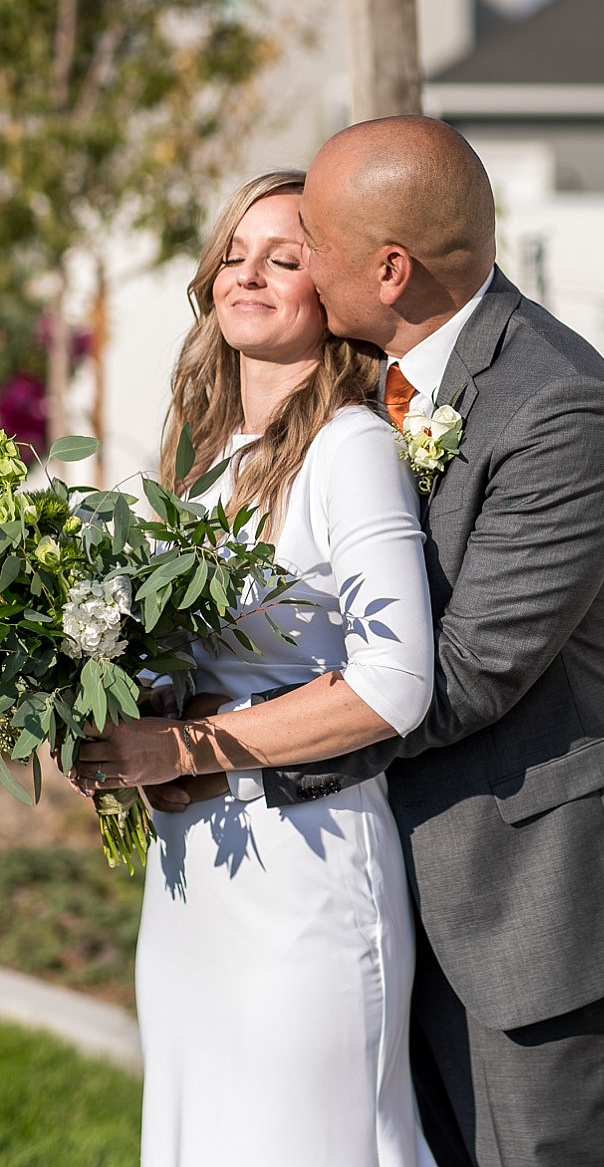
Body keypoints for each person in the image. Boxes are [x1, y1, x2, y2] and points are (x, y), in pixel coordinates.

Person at [128, 119, 604, 1167]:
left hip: (531, 888)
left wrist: (226, 759)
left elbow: (466, 673)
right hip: (392, 871)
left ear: (386, 269)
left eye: (313, 244)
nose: (277, 263)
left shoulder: (558, 404)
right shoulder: (367, 388)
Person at [77, 170, 440, 1166]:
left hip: (305, 870)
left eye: (284, 259)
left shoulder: (349, 449)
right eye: (234, 256)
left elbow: (393, 682)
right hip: (195, 877)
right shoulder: (199, 459)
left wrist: (183, 741)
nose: (250, 274)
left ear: (331, 294)